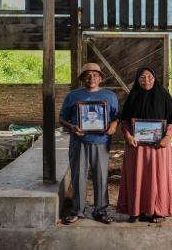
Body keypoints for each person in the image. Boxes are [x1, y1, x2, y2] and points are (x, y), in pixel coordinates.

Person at [59, 62, 119, 224]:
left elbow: (116, 117)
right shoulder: (73, 96)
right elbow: (61, 118)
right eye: (87, 75)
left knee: (101, 177)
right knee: (78, 177)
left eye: (95, 75)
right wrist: (71, 126)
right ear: (82, 79)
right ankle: (77, 210)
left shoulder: (110, 96)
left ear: (100, 78)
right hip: (79, 142)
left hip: (101, 142)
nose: (91, 77)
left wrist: (113, 126)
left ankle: (100, 211)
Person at [117, 67, 172, 223]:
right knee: (137, 178)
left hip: (159, 147)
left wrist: (167, 137)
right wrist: (128, 136)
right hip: (136, 147)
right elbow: (124, 121)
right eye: (142, 77)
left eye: (150, 76)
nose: (146, 80)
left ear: (155, 78)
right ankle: (136, 210)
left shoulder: (164, 96)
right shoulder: (132, 97)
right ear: (137, 80)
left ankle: (158, 210)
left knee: (158, 178)